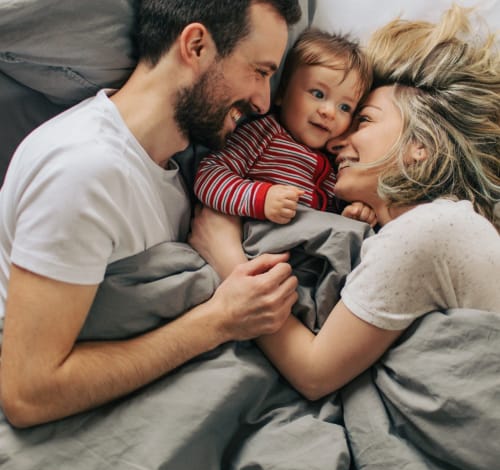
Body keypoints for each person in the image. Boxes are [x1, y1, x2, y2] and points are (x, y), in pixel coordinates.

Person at [0, 0, 303, 428]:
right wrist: (219, 321)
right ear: (195, 45)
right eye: (260, 72)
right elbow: (28, 393)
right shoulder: (83, 171)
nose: (263, 100)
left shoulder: (176, 167)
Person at [189, 5, 500, 399]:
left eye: (362, 119)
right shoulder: (422, 227)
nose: (336, 140)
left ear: (420, 147)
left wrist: (226, 256)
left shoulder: (427, 230)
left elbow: (315, 373)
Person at [194, 28, 376, 226]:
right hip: (257, 237)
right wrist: (262, 199)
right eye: (318, 94)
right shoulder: (262, 135)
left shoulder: (337, 160)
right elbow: (208, 175)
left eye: (344, 107)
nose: (329, 112)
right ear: (281, 93)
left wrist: (353, 212)